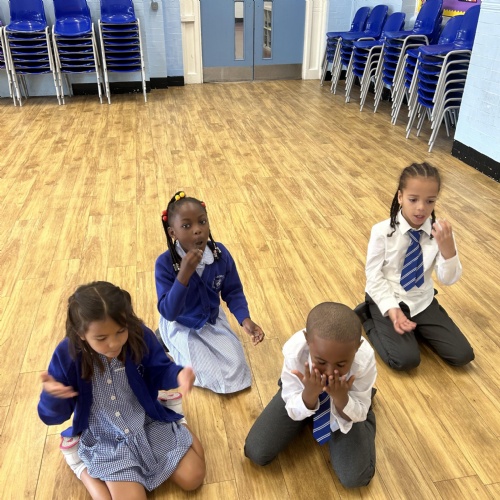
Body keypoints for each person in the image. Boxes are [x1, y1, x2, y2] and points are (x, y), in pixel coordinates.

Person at [38, 281, 206, 500]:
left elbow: (159, 370)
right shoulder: (67, 355)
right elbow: (52, 417)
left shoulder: (139, 335)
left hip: (145, 420)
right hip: (106, 436)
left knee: (194, 478)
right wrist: (52, 398)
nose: (114, 343)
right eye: (101, 338)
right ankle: (78, 464)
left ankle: (176, 417)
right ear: (81, 333)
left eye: (121, 331)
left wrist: (177, 374)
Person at [356, 162, 474, 371]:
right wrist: (391, 308)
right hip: (388, 298)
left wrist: (449, 251)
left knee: (463, 355)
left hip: (421, 300)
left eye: (430, 201)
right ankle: (369, 317)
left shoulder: (440, 233)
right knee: (405, 360)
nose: (421, 207)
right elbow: (373, 275)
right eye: (413, 199)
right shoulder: (381, 231)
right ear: (400, 197)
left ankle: (417, 328)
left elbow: (447, 279)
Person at [244, 302, 376, 489]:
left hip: (346, 400)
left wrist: (342, 399)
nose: (330, 372)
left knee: (355, 478)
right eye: (320, 361)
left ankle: (366, 413)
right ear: (307, 340)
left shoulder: (364, 359)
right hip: (304, 390)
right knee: (256, 451)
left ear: (357, 347)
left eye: (341, 365)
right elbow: (292, 400)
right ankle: (313, 410)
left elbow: (357, 410)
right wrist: (309, 395)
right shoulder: (295, 351)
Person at [155, 191, 265, 394]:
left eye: (202, 222)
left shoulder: (219, 254)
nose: (197, 230)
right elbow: (169, 311)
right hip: (182, 323)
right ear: (172, 232)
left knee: (237, 369)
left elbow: (233, 291)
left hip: (211, 319)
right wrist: (184, 275)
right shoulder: (165, 263)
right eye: (186, 226)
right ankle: (164, 337)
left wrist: (245, 320)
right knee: (202, 373)